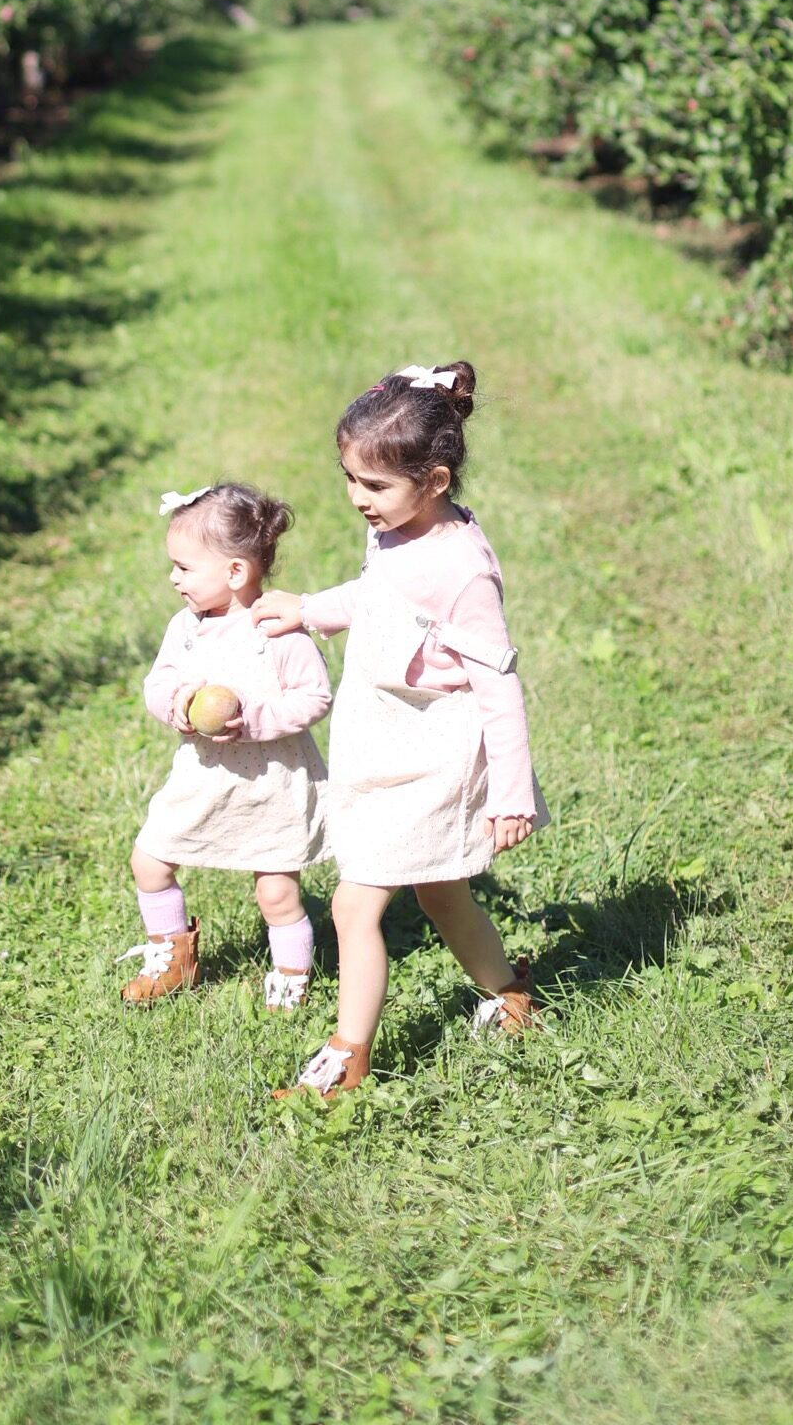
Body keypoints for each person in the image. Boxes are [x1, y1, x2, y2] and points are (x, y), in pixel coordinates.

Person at [257, 362, 544, 1097]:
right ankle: (510, 994)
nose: (358, 500)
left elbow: (497, 684)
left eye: (375, 486)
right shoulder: (397, 527)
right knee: (442, 892)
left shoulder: (461, 568)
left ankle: (348, 1058)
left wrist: (511, 795)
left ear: (437, 481)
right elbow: (382, 598)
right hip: (391, 732)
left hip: (439, 750)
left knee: (356, 902)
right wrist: (309, 608)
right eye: (350, 479)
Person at [121, 481, 332, 1012]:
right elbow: (157, 684)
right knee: (149, 861)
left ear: (235, 572)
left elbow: (315, 696)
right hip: (203, 774)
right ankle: (172, 956)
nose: (173, 578)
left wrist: (254, 718)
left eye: (185, 567)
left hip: (271, 782)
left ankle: (290, 977)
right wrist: (178, 702)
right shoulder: (185, 629)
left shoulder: (277, 630)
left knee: (276, 893)